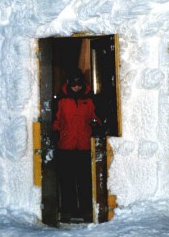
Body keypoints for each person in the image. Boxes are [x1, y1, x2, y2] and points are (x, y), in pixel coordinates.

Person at [52, 68, 101, 223]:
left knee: (85, 180)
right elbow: (55, 121)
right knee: (67, 180)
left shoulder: (90, 99)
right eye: (74, 85)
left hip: (84, 146)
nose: (77, 88)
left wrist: (96, 126)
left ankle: (86, 211)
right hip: (65, 147)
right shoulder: (61, 100)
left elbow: (97, 117)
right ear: (69, 84)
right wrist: (56, 134)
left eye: (79, 85)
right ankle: (68, 211)